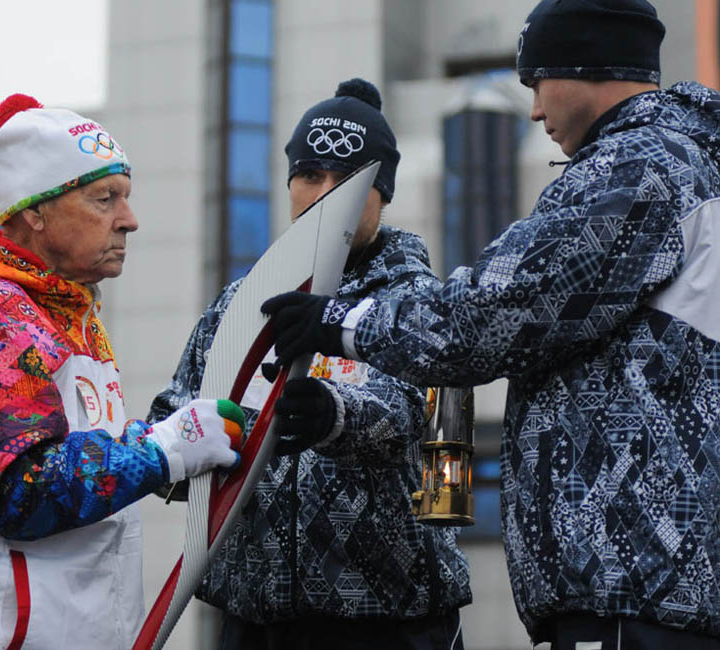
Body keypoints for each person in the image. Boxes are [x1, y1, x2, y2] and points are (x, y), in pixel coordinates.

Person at [261, 2, 720, 648]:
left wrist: (339, 331)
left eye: (535, 81)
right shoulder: (675, 163)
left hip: (627, 581)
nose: (533, 110)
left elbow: (492, 316)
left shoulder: (639, 166)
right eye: (307, 174)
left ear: (580, 65)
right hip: (639, 580)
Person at [0, 94, 245, 650]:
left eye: (126, 197)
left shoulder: (61, 311)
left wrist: (172, 445)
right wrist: (165, 449)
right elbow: (19, 489)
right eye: (104, 199)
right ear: (35, 212)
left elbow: (79, 452)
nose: (130, 220)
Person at [149, 79, 471, 650]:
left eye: (347, 180)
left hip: (385, 618)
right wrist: (181, 445)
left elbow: (420, 430)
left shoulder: (418, 302)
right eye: (310, 175)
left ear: (382, 192)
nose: (326, 194)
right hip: (255, 613)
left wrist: (334, 414)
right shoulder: (241, 303)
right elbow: (174, 412)